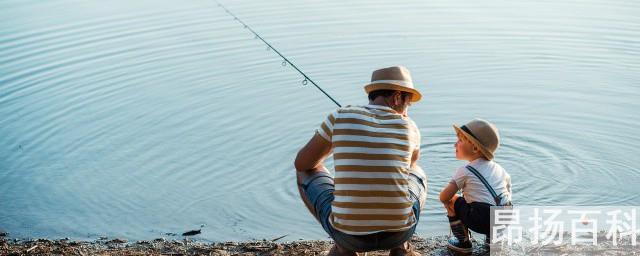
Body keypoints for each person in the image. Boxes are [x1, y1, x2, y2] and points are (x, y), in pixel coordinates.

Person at [294, 66, 427, 256]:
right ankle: (401, 248)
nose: (406, 111)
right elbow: (412, 164)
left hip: (349, 235)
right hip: (399, 232)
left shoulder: (340, 116)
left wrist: (337, 143)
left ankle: (344, 247)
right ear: (397, 97)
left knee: (305, 171)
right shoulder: (410, 126)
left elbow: (302, 163)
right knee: (418, 173)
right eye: (408, 104)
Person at [439, 119, 512, 254]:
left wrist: (458, 200)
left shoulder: (465, 171)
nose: (455, 144)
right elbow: (507, 192)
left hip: (482, 218)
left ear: (475, 148)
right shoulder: (500, 169)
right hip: (505, 216)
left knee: (452, 200)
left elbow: (444, 196)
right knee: (494, 202)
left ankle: (463, 242)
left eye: (460, 141)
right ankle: (494, 240)